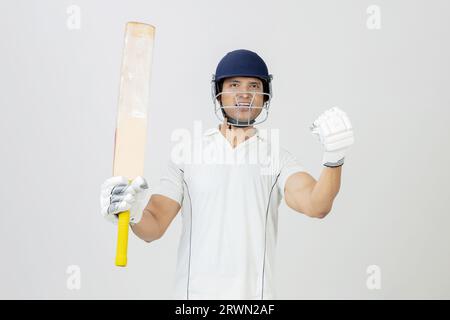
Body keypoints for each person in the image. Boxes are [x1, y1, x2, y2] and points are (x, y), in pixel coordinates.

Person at [100, 49, 354, 300]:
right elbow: (153, 226)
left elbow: (316, 205)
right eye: (234, 84)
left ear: (265, 97)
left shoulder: (277, 157)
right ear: (219, 94)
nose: (244, 93)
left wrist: (334, 159)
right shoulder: (187, 154)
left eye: (254, 85)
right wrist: (133, 214)